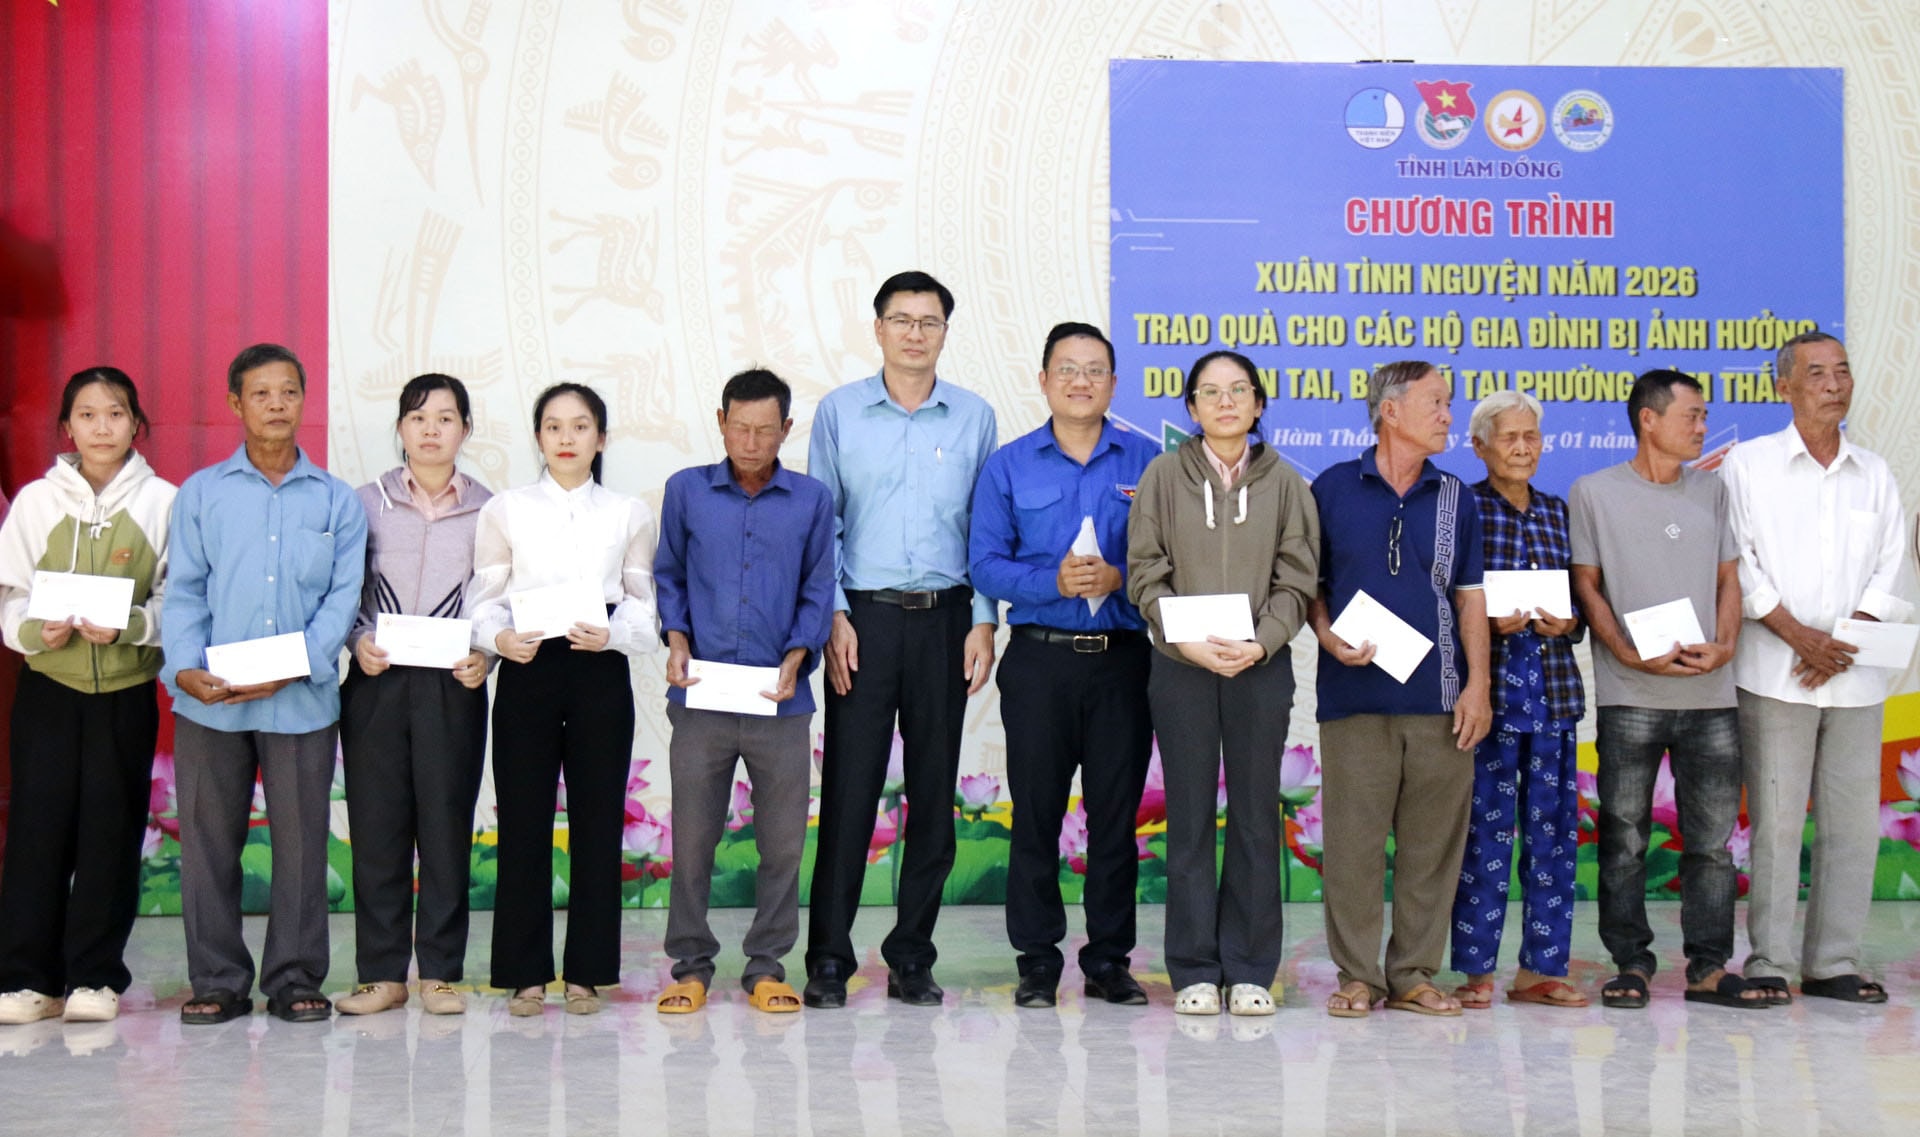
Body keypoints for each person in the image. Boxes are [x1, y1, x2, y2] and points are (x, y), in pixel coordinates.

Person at [804, 270, 999, 1009]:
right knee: (850, 793)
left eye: (929, 321)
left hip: (947, 620)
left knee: (934, 796)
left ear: (945, 331)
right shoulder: (839, 412)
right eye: (901, 319)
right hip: (864, 620)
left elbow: (984, 528)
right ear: (878, 328)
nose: (915, 333)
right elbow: (823, 522)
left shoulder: (974, 416)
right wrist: (833, 614)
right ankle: (829, 957)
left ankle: (913, 956)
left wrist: (983, 618)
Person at [162, 343, 368, 1024]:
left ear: (303, 400)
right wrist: (184, 669)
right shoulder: (201, 494)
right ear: (235, 403)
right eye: (261, 393)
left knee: (302, 845)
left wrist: (295, 663)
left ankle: (295, 977)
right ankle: (217, 979)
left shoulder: (337, 500)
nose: (276, 404)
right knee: (207, 844)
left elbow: (342, 601)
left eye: (288, 392)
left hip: (301, 700)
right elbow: (184, 591)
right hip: (210, 701)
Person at [971, 322, 1162, 1009]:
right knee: (1037, 815)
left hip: (1123, 664)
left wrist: (1123, 579)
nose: (1081, 381)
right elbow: (984, 563)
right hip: (1040, 664)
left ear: (1113, 383)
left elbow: (1174, 560)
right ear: (1045, 380)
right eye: (1067, 369)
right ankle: (1036, 960)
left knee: (1115, 820)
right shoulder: (1009, 465)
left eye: (1094, 370)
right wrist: (1051, 581)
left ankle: (1109, 960)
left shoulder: (1150, 462)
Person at [1126, 349, 1318, 1017]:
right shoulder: (1162, 476)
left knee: (1257, 816)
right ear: (1192, 408)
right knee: (1188, 818)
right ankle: (1194, 970)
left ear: (1259, 404)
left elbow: (1297, 577)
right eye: (1210, 392)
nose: (1226, 402)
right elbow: (1144, 570)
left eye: (1239, 390)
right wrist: (1182, 639)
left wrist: (1261, 641)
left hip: (1258, 668)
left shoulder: (1286, 482)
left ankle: (1251, 968)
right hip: (1181, 667)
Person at [1570, 369, 1765, 1009]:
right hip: (1630, 695)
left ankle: (1709, 967)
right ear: (1648, 420)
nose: (1703, 427)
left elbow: (1729, 578)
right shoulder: (1594, 492)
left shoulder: (1712, 489)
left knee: (1711, 844)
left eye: (1705, 416)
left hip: (1711, 696)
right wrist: (1628, 653)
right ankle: (1631, 964)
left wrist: (1726, 645)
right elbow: (1587, 585)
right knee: (1624, 839)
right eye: (1692, 416)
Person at [1723, 332, 1908, 1005]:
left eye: (1843, 372)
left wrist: (1840, 642)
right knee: (1776, 823)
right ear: (1784, 387)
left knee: (1852, 826)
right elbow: (1738, 561)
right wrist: (1799, 636)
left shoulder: (1874, 473)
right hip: (1776, 673)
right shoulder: (1749, 464)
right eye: (1817, 373)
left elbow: (1893, 566)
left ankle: (1834, 961)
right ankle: (1769, 959)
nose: (1834, 385)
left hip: (1855, 674)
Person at [1310, 359, 1491, 1019]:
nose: (1449, 416)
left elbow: (1470, 598)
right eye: (1436, 403)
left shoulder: (1457, 496)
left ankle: (1413, 973)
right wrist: (1327, 635)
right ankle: (1358, 976)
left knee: (1431, 849)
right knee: (1352, 847)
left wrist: (1478, 686)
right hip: (1353, 699)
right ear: (1390, 411)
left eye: (1448, 403)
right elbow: (1310, 587)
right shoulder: (1331, 488)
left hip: (1441, 702)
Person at [469, 382, 657, 1017]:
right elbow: (484, 598)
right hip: (529, 666)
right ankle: (525, 975)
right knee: (523, 820)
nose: (567, 438)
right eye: (554, 427)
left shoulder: (628, 513)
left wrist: (615, 635)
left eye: (580, 427)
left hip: (598, 664)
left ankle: (587, 973)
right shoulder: (506, 509)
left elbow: (643, 607)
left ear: (601, 438)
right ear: (538, 437)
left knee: (598, 821)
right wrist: (498, 639)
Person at [653, 368, 834, 1015]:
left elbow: (819, 586)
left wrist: (798, 654)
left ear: (786, 429)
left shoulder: (812, 500)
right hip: (701, 699)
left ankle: (767, 965)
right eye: (739, 428)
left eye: (764, 430)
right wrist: (676, 638)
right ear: (721, 422)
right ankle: (689, 965)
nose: (751, 442)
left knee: (782, 843)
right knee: (692, 839)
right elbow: (668, 574)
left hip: (779, 703)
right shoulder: (686, 491)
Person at [0, 368, 176, 1024]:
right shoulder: (36, 503)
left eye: (116, 413)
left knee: (112, 830)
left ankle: (95, 978)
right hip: (48, 687)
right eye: (87, 414)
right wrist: (31, 631)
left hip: (125, 692)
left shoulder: (164, 502)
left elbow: (178, 599)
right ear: (66, 427)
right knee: (37, 830)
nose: (102, 427)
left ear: (137, 424)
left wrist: (132, 625)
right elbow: (10, 593)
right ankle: (27, 979)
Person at [334, 374, 494, 1016]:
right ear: (400, 427)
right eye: (419, 417)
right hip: (376, 680)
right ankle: (381, 974)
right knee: (377, 828)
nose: (431, 430)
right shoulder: (362, 503)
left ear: (465, 429)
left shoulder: (490, 510)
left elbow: (498, 599)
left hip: (453, 684)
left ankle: (440, 973)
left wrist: (484, 655)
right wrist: (356, 641)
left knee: (446, 827)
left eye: (446, 418)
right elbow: (341, 593)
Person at [1448, 390, 1588, 1009]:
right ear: (1480, 447)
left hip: (1554, 697)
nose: (1523, 448)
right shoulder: (1464, 510)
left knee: (1553, 840)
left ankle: (1541, 970)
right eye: (1509, 437)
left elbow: (1583, 602)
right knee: (1483, 838)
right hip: (1491, 701)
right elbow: (1445, 598)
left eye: (1531, 436)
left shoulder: (1558, 512)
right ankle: (1475, 971)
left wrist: (1571, 621)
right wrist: (1483, 623)